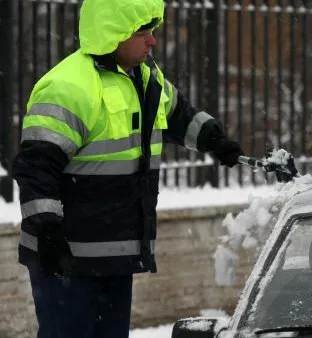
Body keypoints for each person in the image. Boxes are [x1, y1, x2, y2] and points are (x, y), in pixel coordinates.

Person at [11, 0, 243, 337]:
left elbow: (177, 113)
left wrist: (214, 139)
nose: (152, 41)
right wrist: (47, 230)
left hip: (116, 254)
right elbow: (36, 167)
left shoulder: (145, 77)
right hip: (66, 258)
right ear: (112, 33)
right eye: (142, 32)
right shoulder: (68, 87)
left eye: (152, 31)